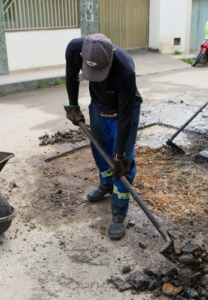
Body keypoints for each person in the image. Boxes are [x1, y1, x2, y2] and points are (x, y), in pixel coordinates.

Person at [64, 33, 142, 240]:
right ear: (82, 54)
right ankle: (106, 185)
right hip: (98, 106)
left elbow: (125, 117)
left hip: (124, 110)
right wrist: (73, 105)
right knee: (99, 150)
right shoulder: (74, 48)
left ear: (112, 54)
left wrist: (119, 156)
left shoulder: (126, 69)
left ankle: (118, 211)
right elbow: (71, 76)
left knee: (124, 163)